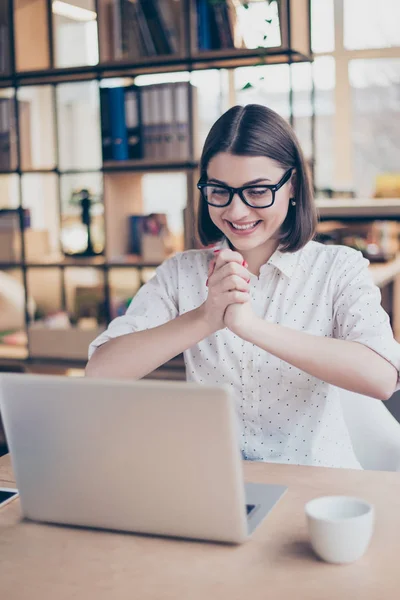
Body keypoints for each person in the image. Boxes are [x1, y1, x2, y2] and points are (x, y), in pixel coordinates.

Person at [86, 104, 400, 469]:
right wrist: (205, 317)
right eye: (219, 191)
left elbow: (382, 377)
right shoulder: (180, 273)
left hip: (318, 485)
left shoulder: (337, 267)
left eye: (257, 191)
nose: (236, 212)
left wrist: (252, 328)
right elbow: (100, 373)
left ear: (293, 184)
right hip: (220, 486)